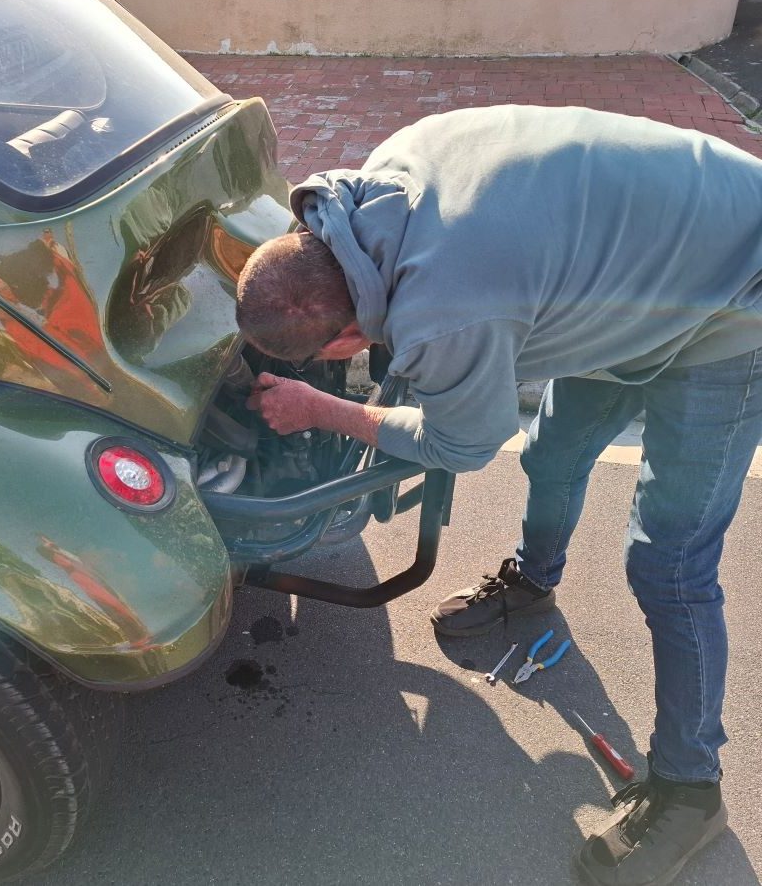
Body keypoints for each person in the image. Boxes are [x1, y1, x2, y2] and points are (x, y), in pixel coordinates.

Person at [235, 104, 762, 886]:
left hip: (735, 298)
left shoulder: (449, 307)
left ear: (342, 338)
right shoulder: (376, 184)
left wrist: (321, 408)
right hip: (632, 276)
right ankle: (532, 583)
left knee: (670, 562)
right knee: (552, 453)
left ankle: (691, 788)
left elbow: (461, 444)